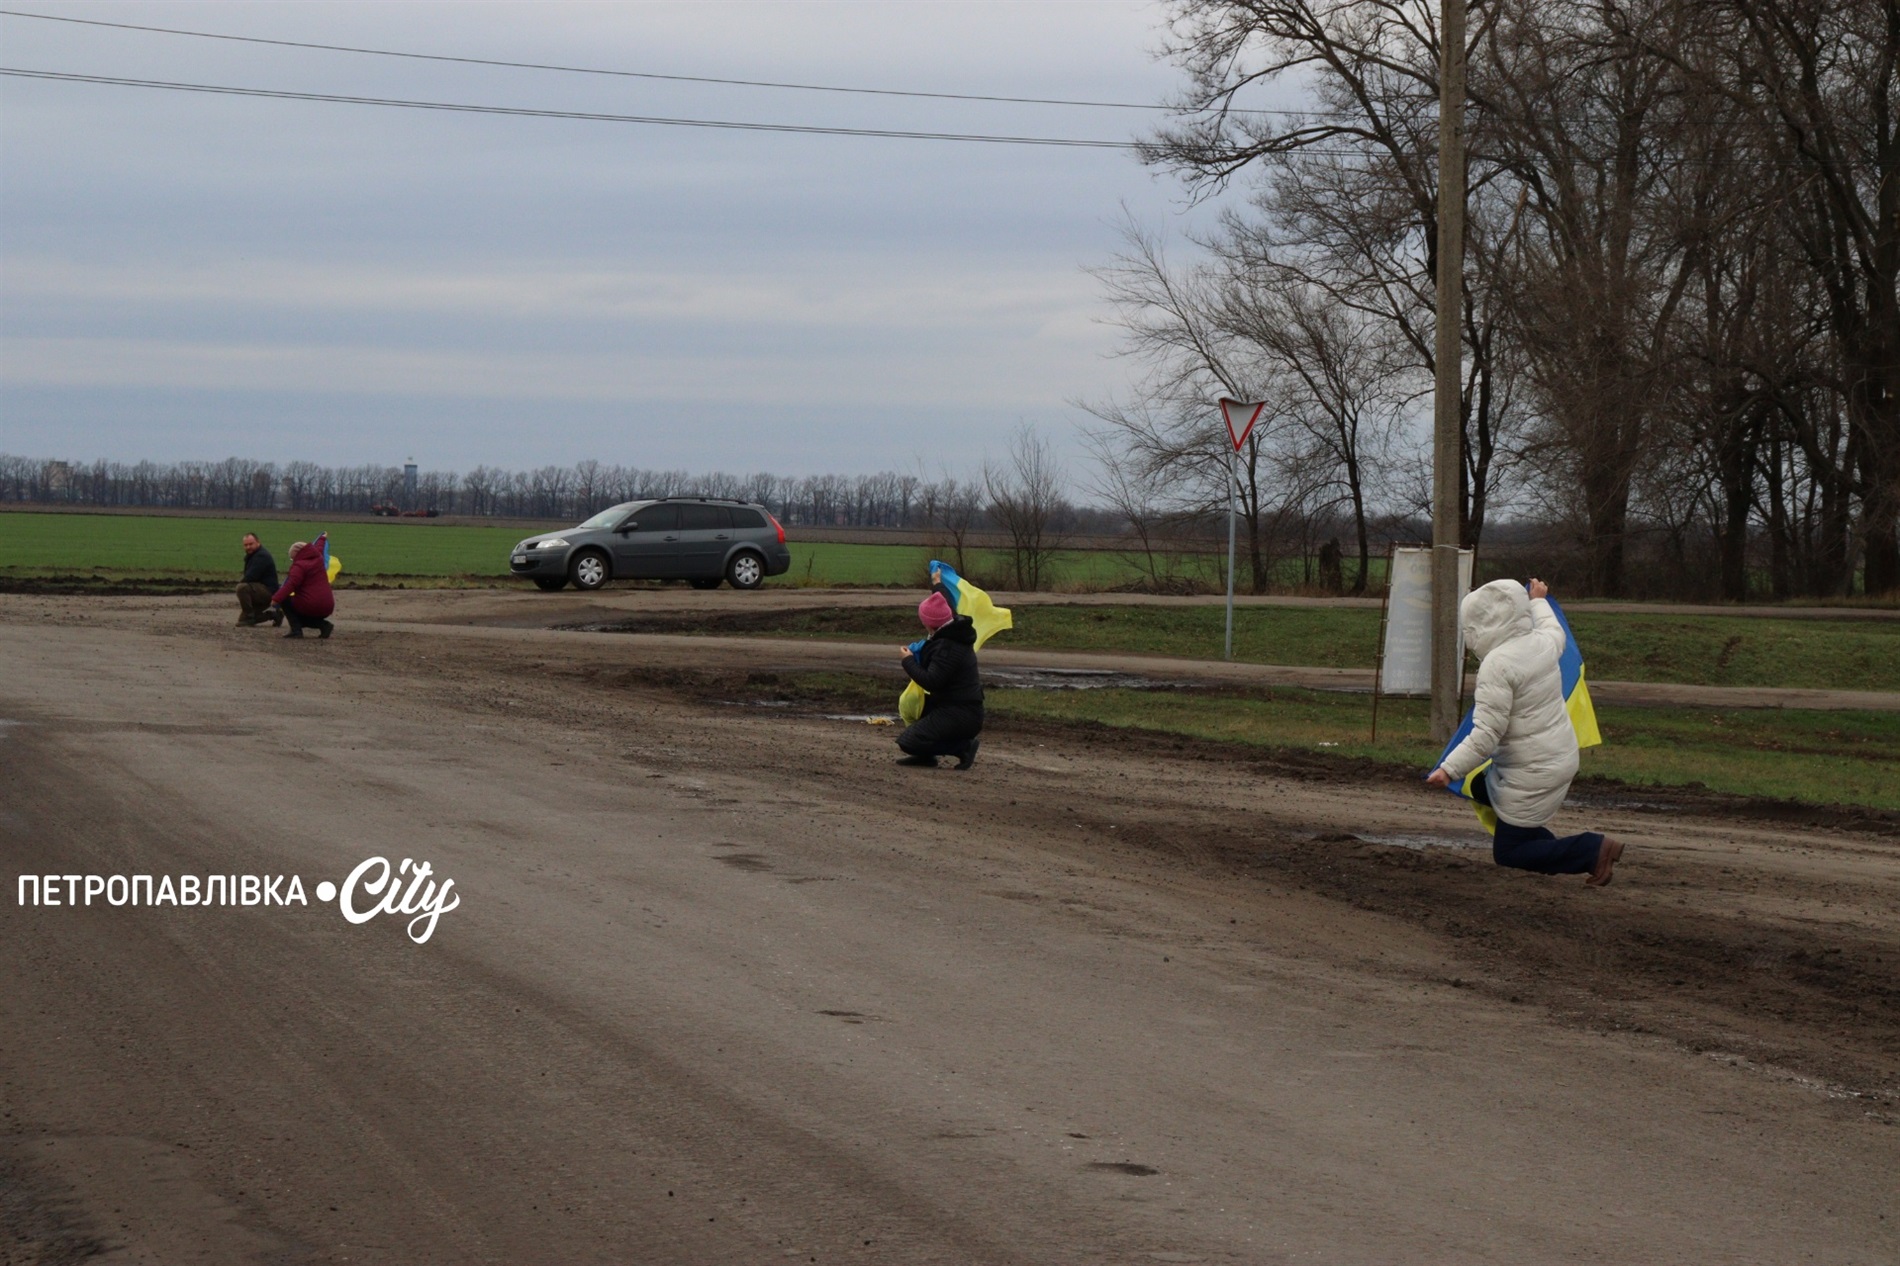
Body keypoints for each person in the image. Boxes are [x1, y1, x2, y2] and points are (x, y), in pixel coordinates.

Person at [1426, 578, 1624, 886]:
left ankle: (1592, 850)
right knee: (1480, 786)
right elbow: (1553, 627)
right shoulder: (1542, 641)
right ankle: (1572, 850)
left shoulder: (1497, 665)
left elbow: (1488, 733)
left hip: (1532, 771)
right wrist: (1538, 600)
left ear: (1478, 627)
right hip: (1558, 756)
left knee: (1510, 852)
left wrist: (1449, 770)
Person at [895, 587, 983, 769]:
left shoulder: (947, 647)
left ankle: (963, 748)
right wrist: (936, 584)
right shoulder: (953, 631)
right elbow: (943, 605)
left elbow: (932, 681)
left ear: (929, 624)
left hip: (961, 713)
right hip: (960, 707)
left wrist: (908, 661)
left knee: (908, 741)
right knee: (917, 714)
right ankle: (926, 757)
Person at [270, 538, 335, 639]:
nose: (293, 561)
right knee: (299, 615)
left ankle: (296, 631)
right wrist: (322, 538)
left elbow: (290, 584)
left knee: (286, 601)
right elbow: (319, 547)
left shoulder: (300, 565)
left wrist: (276, 599)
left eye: (292, 558)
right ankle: (323, 625)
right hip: (328, 605)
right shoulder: (319, 559)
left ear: (297, 554)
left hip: (311, 604)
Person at [235, 533, 281, 627]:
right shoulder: (253, 555)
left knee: (241, 588)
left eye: (251, 544)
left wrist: (240, 585)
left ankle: (249, 616)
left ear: (258, 542)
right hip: (259, 590)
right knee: (241, 621)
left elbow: (250, 577)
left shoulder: (261, 556)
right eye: (246, 545)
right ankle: (274, 615)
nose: (248, 547)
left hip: (268, 592)